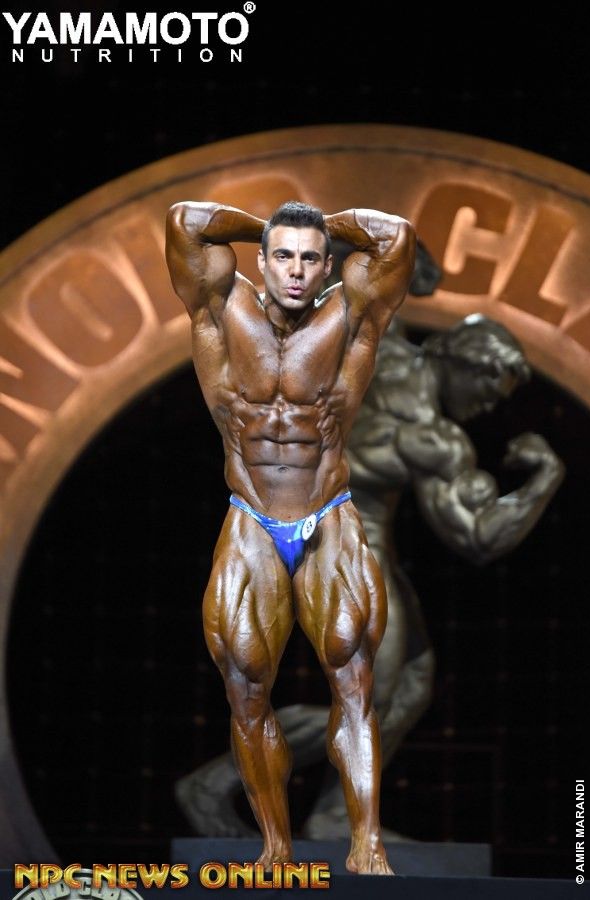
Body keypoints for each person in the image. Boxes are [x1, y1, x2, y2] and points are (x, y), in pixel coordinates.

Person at [174, 314, 564, 843]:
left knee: (414, 680)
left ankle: (333, 815)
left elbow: (358, 297)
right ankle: (216, 783)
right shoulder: (433, 439)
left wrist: (416, 279)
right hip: (345, 546)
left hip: (284, 526)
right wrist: (545, 479)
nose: (490, 407)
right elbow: (477, 538)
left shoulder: (379, 349)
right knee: (369, 698)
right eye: (491, 390)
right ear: (469, 365)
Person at [165, 199, 416, 874]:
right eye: (282, 255)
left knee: (354, 677)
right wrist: (271, 223)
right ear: (261, 260)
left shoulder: (352, 314)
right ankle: (276, 848)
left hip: (327, 511)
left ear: (328, 265)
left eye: (310, 258)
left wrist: (317, 227)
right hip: (251, 516)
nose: (296, 270)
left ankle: (367, 844)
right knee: (246, 684)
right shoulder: (221, 307)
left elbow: (395, 236)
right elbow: (186, 221)